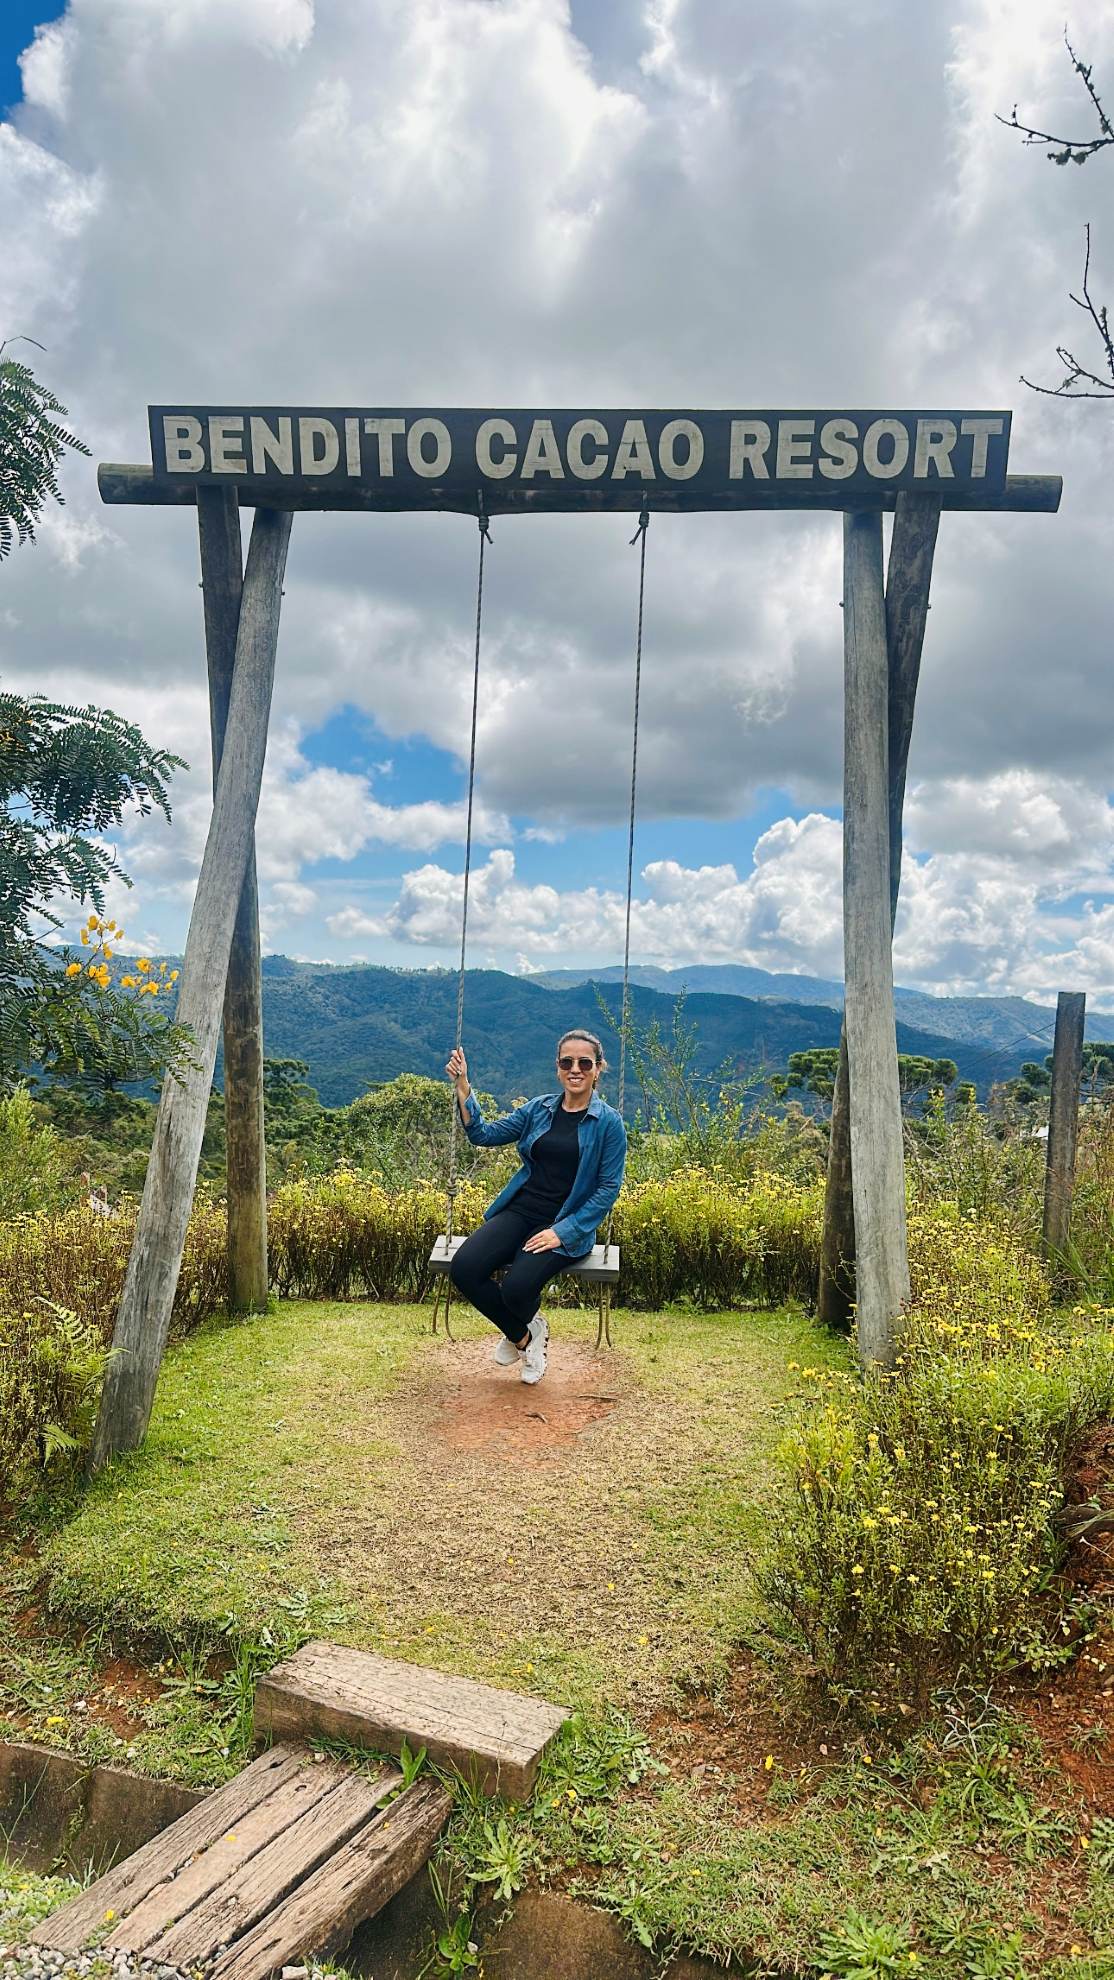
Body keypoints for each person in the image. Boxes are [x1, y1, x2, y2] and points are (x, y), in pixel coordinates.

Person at [444, 1029, 627, 1384]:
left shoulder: (608, 1123)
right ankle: (526, 1336)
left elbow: (607, 1189)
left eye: (584, 1063)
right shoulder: (539, 1109)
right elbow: (484, 1134)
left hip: (565, 1222)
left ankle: (520, 1329)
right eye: (567, 1062)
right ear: (558, 1068)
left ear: (598, 1068)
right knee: (464, 1268)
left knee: (517, 1288)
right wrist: (463, 1084)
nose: (575, 1069)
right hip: (521, 1210)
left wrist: (563, 1232)